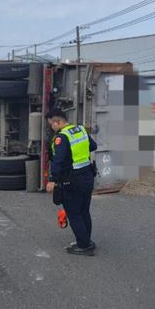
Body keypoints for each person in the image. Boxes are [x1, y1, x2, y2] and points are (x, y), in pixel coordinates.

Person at [45, 109, 98, 256]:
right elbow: (93, 146)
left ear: (58, 122)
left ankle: (84, 245)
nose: (52, 128)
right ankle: (86, 240)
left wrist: (52, 180)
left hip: (72, 180)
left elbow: (58, 161)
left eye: (52, 125)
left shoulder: (61, 138)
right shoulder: (80, 129)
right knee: (84, 211)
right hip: (88, 176)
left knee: (74, 213)